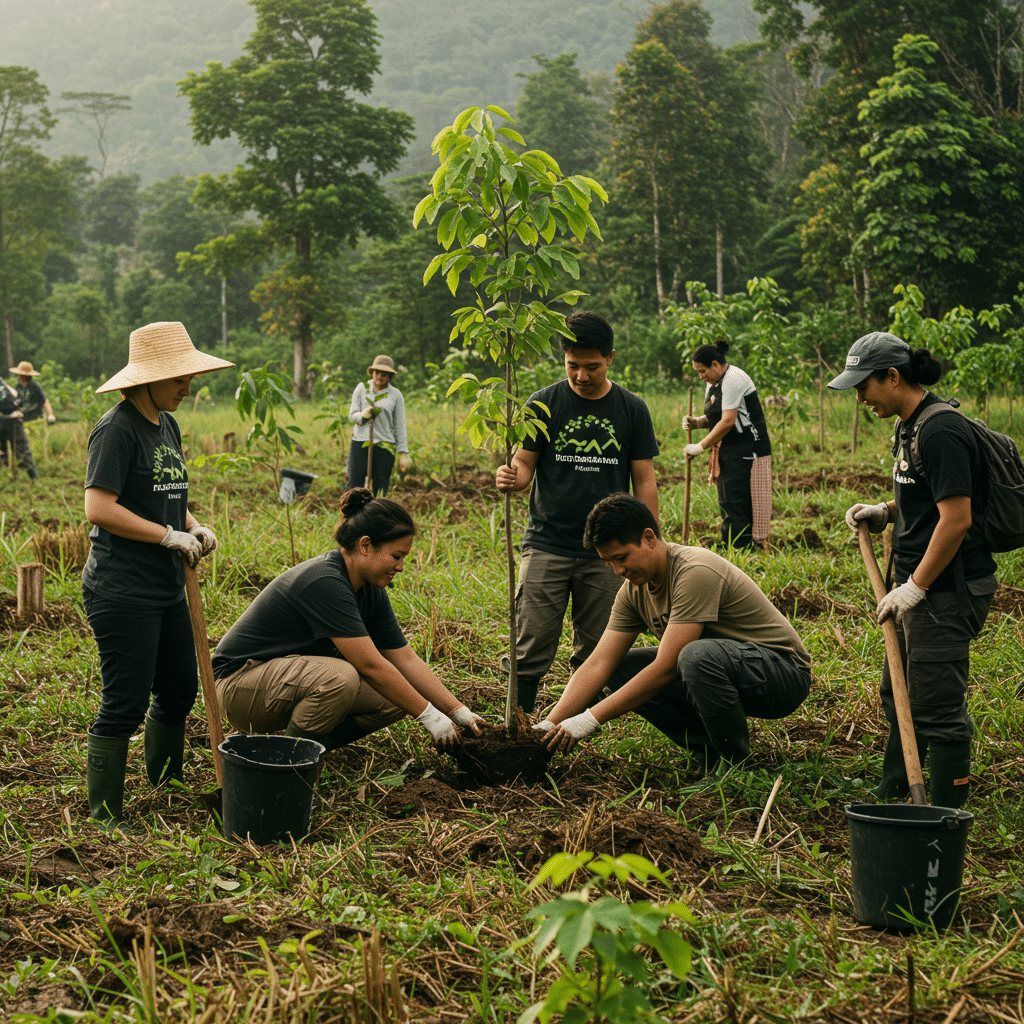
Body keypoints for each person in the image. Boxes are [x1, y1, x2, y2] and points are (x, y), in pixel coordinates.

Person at [829, 331, 997, 809]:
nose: (860, 398)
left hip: (945, 590)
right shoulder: (909, 424)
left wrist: (916, 587)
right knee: (897, 688)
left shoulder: (940, 430)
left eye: (864, 387)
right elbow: (927, 500)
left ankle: (945, 808)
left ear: (894, 376)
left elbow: (957, 518)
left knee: (936, 704)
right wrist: (885, 510)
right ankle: (896, 785)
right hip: (916, 582)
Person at [83, 321, 234, 829]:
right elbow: (99, 508)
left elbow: (171, 495)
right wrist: (168, 537)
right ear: (144, 380)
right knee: (124, 702)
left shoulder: (165, 425)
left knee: (177, 689)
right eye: (177, 378)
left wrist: (193, 525)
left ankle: (165, 780)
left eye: (188, 376)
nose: (187, 386)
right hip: (122, 589)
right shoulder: (117, 429)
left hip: (167, 586)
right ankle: (103, 814)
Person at [535, 494, 812, 769]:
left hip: (782, 674)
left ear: (649, 537)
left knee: (694, 656)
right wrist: (550, 724)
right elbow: (599, 663)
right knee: (623, 667)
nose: (618, 570)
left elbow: (667, 667)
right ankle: (709, 749)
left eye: (622, 557)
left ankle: (733, 762)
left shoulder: (694, 571)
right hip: (722, 669)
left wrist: (588, 720)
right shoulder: (633, 592)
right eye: (608, 563)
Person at [212, 488, 486, 751]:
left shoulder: (369, 588)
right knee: (340, 677)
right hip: (238, 686)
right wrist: (430, 717)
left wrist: (456, 710)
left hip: (280, 681)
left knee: (398, 697)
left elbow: (405, 659)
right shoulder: (326, 582)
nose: (401, 567)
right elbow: (370, 665)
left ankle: (309, 748)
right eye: (396, 556)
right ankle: (290, 763)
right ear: (365, 545)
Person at [495, 311, 659, 713]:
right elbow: (526, 466)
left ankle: (571, 724)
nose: (581, 375)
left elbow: (644, 479)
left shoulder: (631, 409)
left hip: (608, 551)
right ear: (563, 358)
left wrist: (647, 537)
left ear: (611, 358)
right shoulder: (543, 403)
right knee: (530, 640)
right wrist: (511, 478)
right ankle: (518, 719)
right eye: (573, 366)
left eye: (592, 366)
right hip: (548, 541)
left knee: (598, 644)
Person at [683, 341, 772, 549]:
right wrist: (697, 422)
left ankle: (742, 545)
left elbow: (728, 420)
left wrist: (700, 446)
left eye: (702, 371)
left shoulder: (733, 379)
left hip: (748, 446)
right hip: (730, 445)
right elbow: (717, 416)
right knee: (728, 496)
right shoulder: (714, 382)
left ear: (715, 364)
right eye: (697, 372)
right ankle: (732, 541)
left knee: (737, 497)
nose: (700, 376)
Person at [347, 355, 411, 496]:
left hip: (384, 445)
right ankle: (351, 516)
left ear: (390, 376)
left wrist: (403, 453)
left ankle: (377, 516)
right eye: (377, 373)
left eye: (384, 374)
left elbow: (400, 425)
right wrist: (363, 415)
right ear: (372, 372)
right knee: (354, 484)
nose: (379, 377)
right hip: (360, 442)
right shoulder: (362, 388)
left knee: (380, 487)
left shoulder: (395, 395)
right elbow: (352, 415)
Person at [0, 380, 39, 480]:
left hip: (12, 417)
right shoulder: (2, 382)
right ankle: (31, 478)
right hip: (11, 416)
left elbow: (14, 394)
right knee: (18, 449)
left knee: (20, 449)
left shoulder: (2, 382)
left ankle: (33, 478)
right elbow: (15, 393)